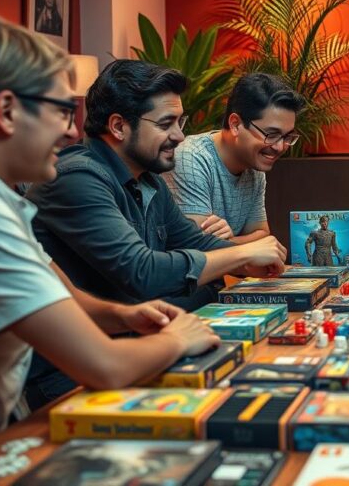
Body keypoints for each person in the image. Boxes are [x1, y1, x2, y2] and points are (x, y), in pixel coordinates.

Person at [0, 18, 219, 471]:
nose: (71, 131)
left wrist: (121, 314)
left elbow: (53, 286)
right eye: (62, 111)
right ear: (6, 111)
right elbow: (104, 366)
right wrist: (178, 339)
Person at [24, 59, 287, 406]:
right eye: (166, 123)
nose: (179, 135)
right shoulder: (77, 176)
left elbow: (195, 242)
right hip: (71, 374)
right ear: (119, 126)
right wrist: (241, 253)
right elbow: (143, 272)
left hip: (135, 348)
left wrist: (245, 263)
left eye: (180, 122)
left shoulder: (147, 179)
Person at [164, 73, 305, 243]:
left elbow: (262, 235)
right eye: (271, 134)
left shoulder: (253, 165)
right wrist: (235, 245)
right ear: (235, 124)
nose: (280, 147)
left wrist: (228, 242)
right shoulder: (191, 158)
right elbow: (198, 246)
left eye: (287, 137)